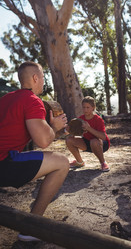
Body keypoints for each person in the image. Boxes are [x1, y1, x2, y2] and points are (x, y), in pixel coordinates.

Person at [0, 61, 69, 242]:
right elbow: (44, 141)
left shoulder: (6, 99)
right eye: (43, 78)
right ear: (35, 78)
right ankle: (32, 227)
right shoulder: (32, 100)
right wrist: (55, 126)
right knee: (62, 162)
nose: (43, 82)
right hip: (2, 164)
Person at [66, 96, 110, 172]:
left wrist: (88, 128)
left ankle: (103, 163)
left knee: (94, 141)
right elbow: (76, 133)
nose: (85, 110)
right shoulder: (80, 119)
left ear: (93, 108)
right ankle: (79, 162)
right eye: (84, 107)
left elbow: (103, 137)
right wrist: (69, 130)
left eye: (88, 107)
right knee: (69, 140)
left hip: (101, 144)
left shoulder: (98, 119)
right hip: (87, 143)